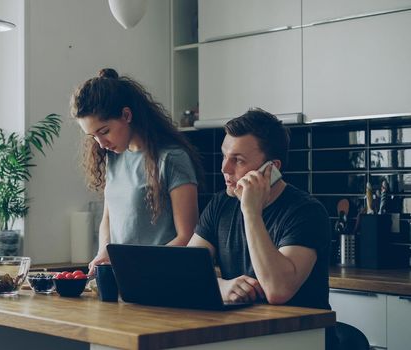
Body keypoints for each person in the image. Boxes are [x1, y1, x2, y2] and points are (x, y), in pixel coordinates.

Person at [188, 108, 331, 309]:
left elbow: (278, 290)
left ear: (271, 169)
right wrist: (222, 287)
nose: (224, 169)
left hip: (300, 336)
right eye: (224, 156)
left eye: (238, 160)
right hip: (244, 331)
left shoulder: (307, 212)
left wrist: (251, 212)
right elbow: (187, 273)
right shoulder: (220, 204)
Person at [71, 68, 203, 274]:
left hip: (162, 277)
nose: (101, 143)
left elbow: (188, 237)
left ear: (126, 115)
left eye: (104, 131)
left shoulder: (172, 159)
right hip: (126, 278)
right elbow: (108, 216)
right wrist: (104, 252)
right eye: (93, 136)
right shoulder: (113, 158)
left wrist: (137, 265)